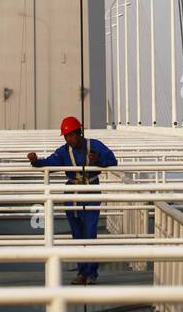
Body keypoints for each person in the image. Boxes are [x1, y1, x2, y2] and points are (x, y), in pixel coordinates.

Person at [27, 116, 117, 284]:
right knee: (77, 234)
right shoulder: (63, 151)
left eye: (71, 135)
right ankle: (82, 272)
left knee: (89, 232)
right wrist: (36, 161)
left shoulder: (95, 146)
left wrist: (98, 161)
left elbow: (113, 160)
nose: (69, 139)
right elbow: (50, 163)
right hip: (71, 192)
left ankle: (91, 273)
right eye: (66, 136)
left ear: (78, 133)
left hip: (91, 189)